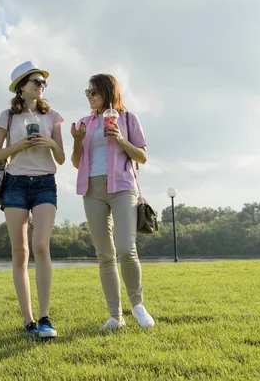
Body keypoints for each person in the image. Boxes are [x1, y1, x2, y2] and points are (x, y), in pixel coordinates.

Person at [70, 73, 155, 331]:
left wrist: (119, 139)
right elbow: (76, 162)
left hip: (122, 188)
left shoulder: (128, 119)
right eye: (87, 92)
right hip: (92, 190)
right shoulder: (84, 123)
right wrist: (76, 141)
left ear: (108, 92)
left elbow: (142, 156)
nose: (90, 97)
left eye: (94, 92)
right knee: (104, 255)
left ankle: (138, 305)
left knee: (126, 249)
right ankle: (116, 317)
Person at [0, 61, 65, 338]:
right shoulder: (7, 116)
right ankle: (28, 321)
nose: (41, 86)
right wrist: (19, 146)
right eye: (36, 82)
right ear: (22, 87)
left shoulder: (53, 116)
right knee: (20, 253)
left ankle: (45, 317)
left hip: (45, 182)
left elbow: (61, 158)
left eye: (43, 82)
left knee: (41, 245)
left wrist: (51, 143)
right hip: (15, 185)